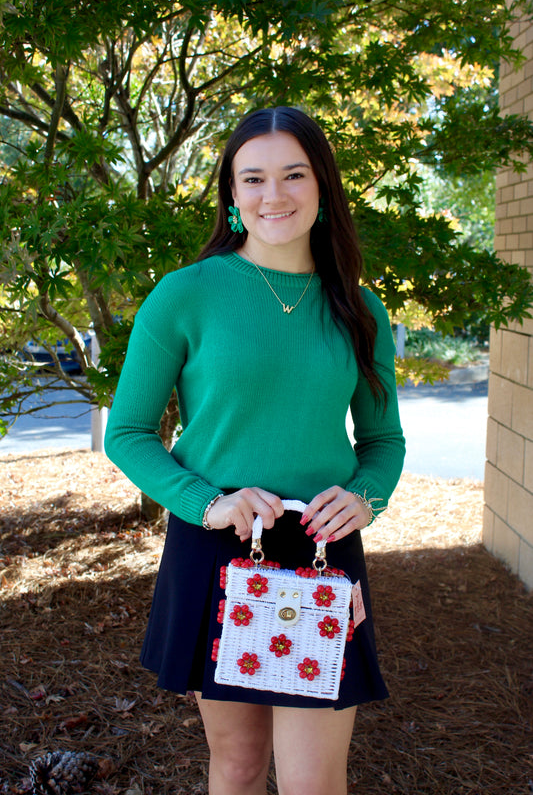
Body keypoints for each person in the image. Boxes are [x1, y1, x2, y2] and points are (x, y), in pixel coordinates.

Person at [104, 106, 405, 795]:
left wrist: (366, 498)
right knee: (237, 767)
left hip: (321, 555)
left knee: (313, 782)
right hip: (219, 544)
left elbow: (383, 441)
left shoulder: (358, 307)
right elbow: (127, 433)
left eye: (294, 174)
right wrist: (206, 502)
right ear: (232, 196)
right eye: (254, 178)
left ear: (322, 187)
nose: (275, 195)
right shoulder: (185, 295)